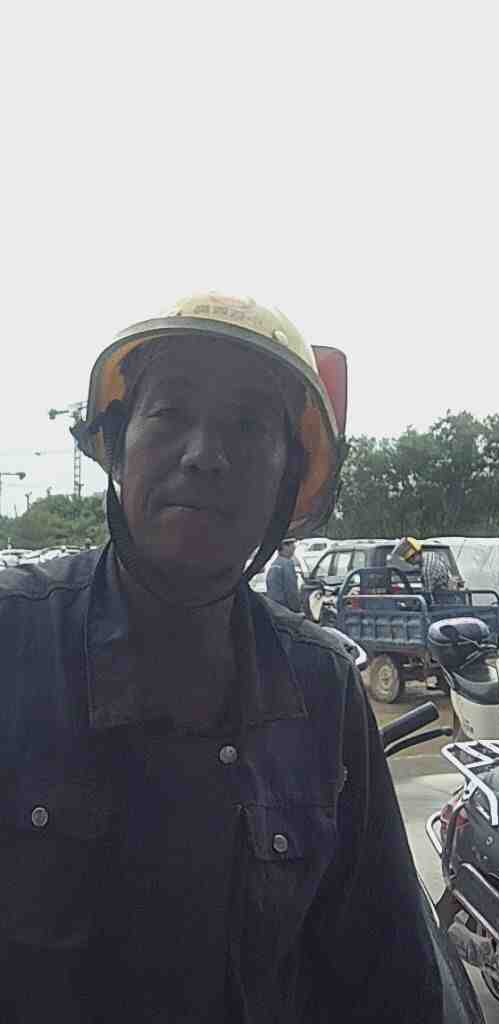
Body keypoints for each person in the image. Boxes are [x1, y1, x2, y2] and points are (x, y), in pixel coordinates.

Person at [0, 292, 441, 1022]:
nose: (204, 454)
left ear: (288, 482)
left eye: (247, 425)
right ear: (117, 445)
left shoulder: (322, 688)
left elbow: (388, 980)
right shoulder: (13, 641)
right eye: (170, 412)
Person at [396, 536, 462, 601]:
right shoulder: (432, 555)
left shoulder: (427, 569)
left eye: (408, 560)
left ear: (414, 556)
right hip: (447, 594)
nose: (409, 563)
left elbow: (428, 594)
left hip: (442, 599)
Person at [266, 536, 301, 611]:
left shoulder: (276, 563)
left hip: (275, 607)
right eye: (292, 545)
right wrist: (297, 609)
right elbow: (291, 590)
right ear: (284, 547)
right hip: (285, 608)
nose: (294, 548)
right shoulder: (286, 564)